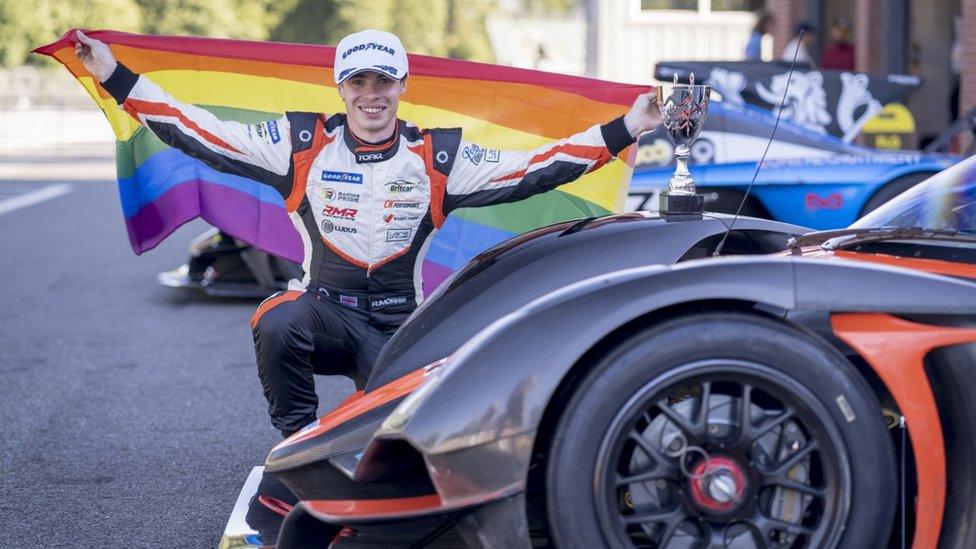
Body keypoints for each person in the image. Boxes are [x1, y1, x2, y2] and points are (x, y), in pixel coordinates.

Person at [74, 29, 661, 437]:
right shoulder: (301, 147)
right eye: (359, 82)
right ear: (341, 88)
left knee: (413, 442)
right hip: (325, 313)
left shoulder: (438, 156)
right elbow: (197, 130)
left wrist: (626, 127)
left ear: (403, 85)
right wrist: (115, 75)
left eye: (384, 81)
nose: (371, 94)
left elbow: (537, 168)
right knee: (277, 317)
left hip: (405, 326)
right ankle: (296, 445)